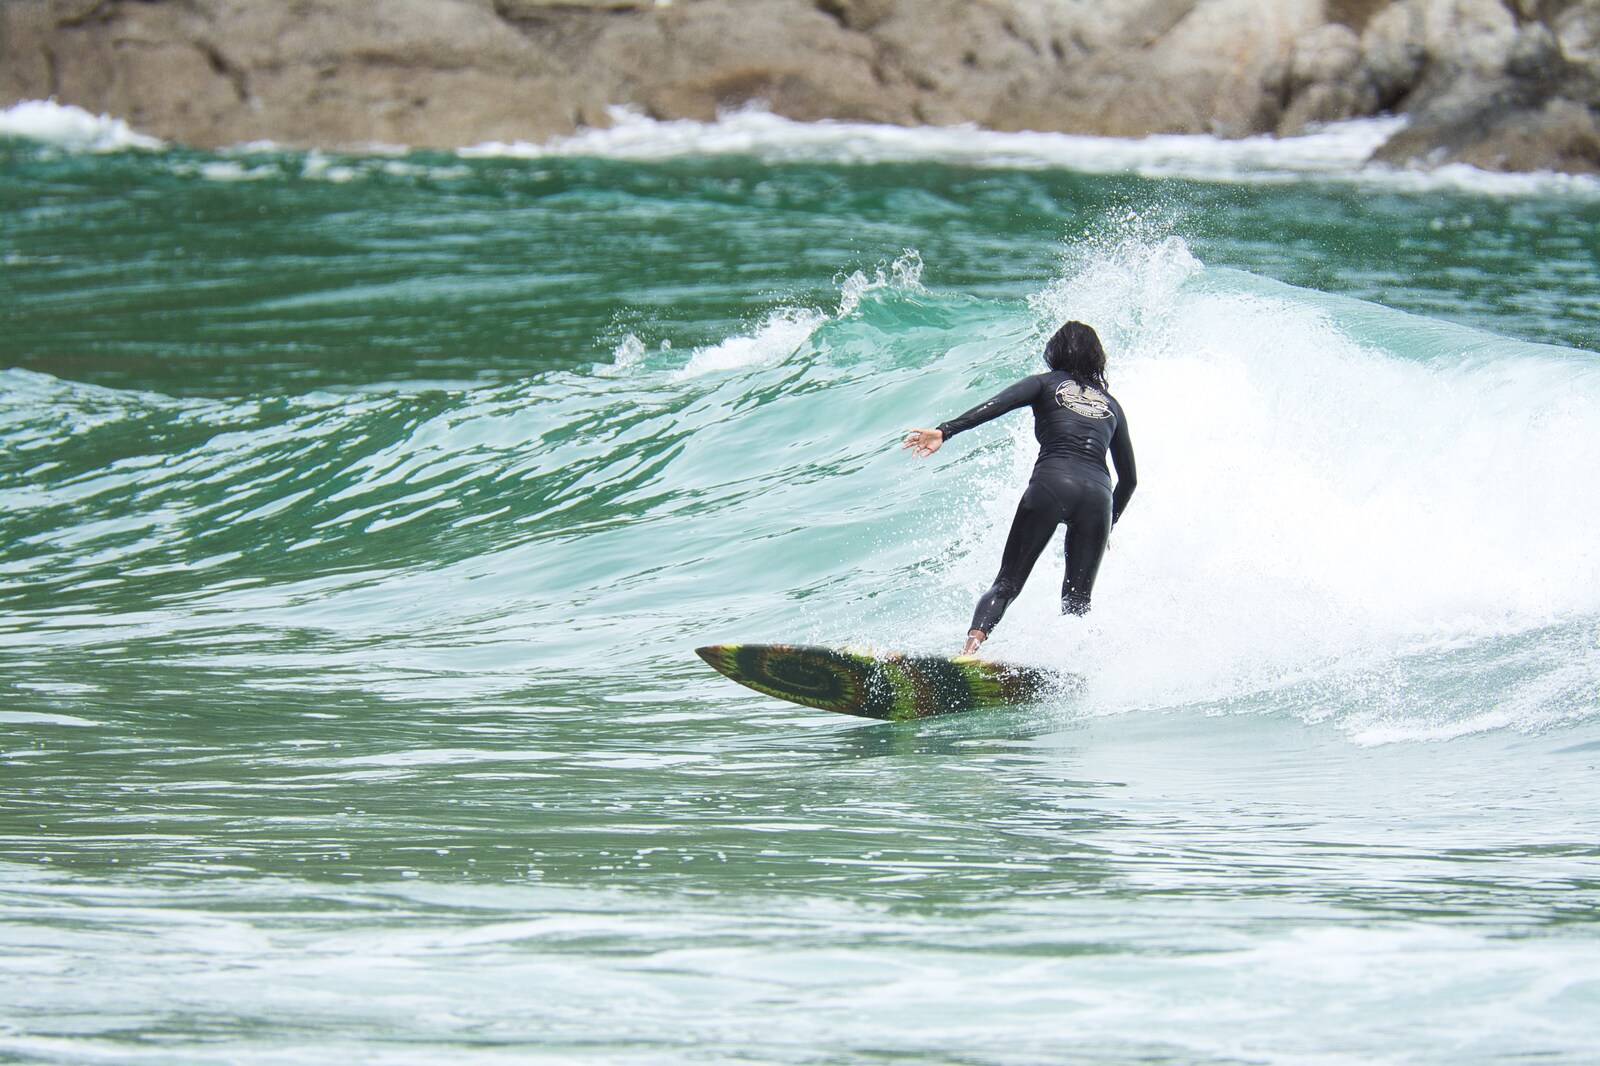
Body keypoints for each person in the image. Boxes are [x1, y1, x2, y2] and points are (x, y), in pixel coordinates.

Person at [902, 321, 1136, 655]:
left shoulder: (1043, 383)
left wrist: (945, 431)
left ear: (1055, 351)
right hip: (1098, 497)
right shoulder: (1112, 406)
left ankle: (969, 653)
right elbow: (1129, 480)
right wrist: (1108, 523)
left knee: (1007, 583)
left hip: (1052, 483)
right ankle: (1074, 670)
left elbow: (997, 405)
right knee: (1077, 601)